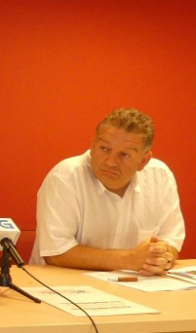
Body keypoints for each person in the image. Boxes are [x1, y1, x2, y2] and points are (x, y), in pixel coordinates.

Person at [31, 108, 184, 275]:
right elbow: (56, 253)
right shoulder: (64, 178)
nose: (110, 162)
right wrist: (129, 260)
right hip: (61, 284)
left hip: (137, 283)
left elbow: (171, 241)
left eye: (124, 155)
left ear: (143, 161)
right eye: (104, 148)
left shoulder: (160, 176)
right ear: (92, 146)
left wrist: (161, 257)